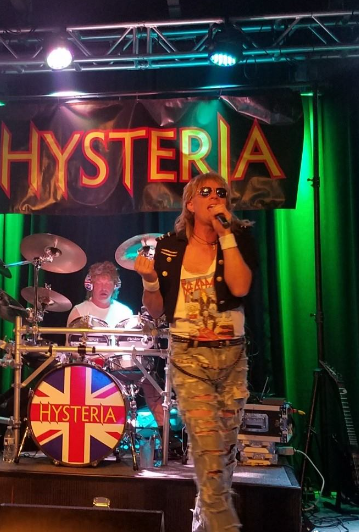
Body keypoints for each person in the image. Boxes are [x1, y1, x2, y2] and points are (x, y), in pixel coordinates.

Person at [136, 172, 258, 532]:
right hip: (190, 358)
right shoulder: (169, 247)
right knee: (208, 450)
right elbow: (157, 311)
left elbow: (240, 287)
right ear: (190, 203)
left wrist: (226, 235)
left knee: (224, 453)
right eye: (206, 191)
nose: (215, 196)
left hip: (232, 358)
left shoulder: (239, 238)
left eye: (222, 192)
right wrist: (149, 281)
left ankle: (202, 522)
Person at [66, 262, 170, 436]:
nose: (104, 287)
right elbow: (70, 348)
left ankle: (165, 433)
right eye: (99, 282)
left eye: (108, 282)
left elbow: (134, 345)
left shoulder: (125, 311)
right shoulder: (79, 311)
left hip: (120, 368)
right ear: (91, 285)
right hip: (90, 367)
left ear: (115, 286)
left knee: (150, 379)